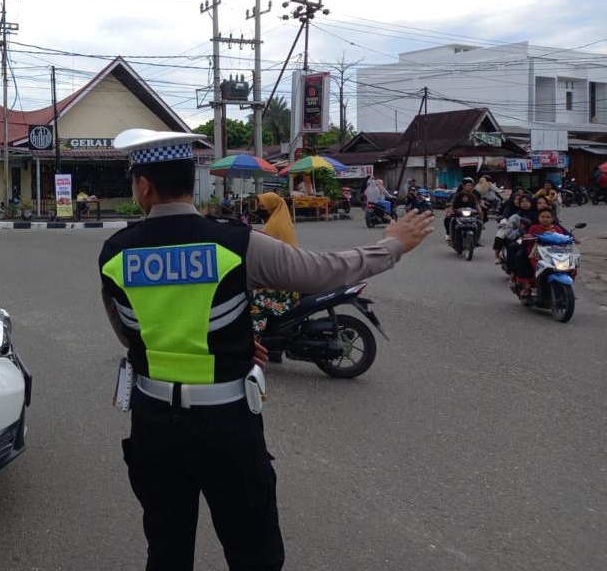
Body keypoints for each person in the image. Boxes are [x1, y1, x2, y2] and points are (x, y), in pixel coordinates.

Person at [100, 128, 434, 571]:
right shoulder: (236, 243)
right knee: (253, 551)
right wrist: (393, 245)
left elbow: (131, 334)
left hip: (154, 427)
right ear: (189, 178)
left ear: (143, 185)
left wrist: (219, 343)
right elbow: (324, 271)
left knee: (166, 548)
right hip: (227, 428)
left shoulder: (115, 253)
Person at [250, 193, 299, 347]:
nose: (259, 208)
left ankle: (254, 347)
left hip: (281, 286)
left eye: (263, 206)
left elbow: (262, 251)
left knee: (256, 307)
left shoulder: (274, 226)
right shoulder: (281, 221)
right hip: (286, 279)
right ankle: (274, 349)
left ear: (272, 207)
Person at [444, 177, 483, 242]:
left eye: (471, 185)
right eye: (468, 185)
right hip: (458, 214)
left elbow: (477, 205)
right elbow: (451, 204)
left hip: (470, 214)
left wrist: (479, 211)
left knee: (479, 223)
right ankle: (450, 235)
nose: (470, 187)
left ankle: (476, 239)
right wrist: (450, 212)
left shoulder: (473, 196)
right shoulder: (457, 195)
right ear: (463, 186)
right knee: (449, 220)